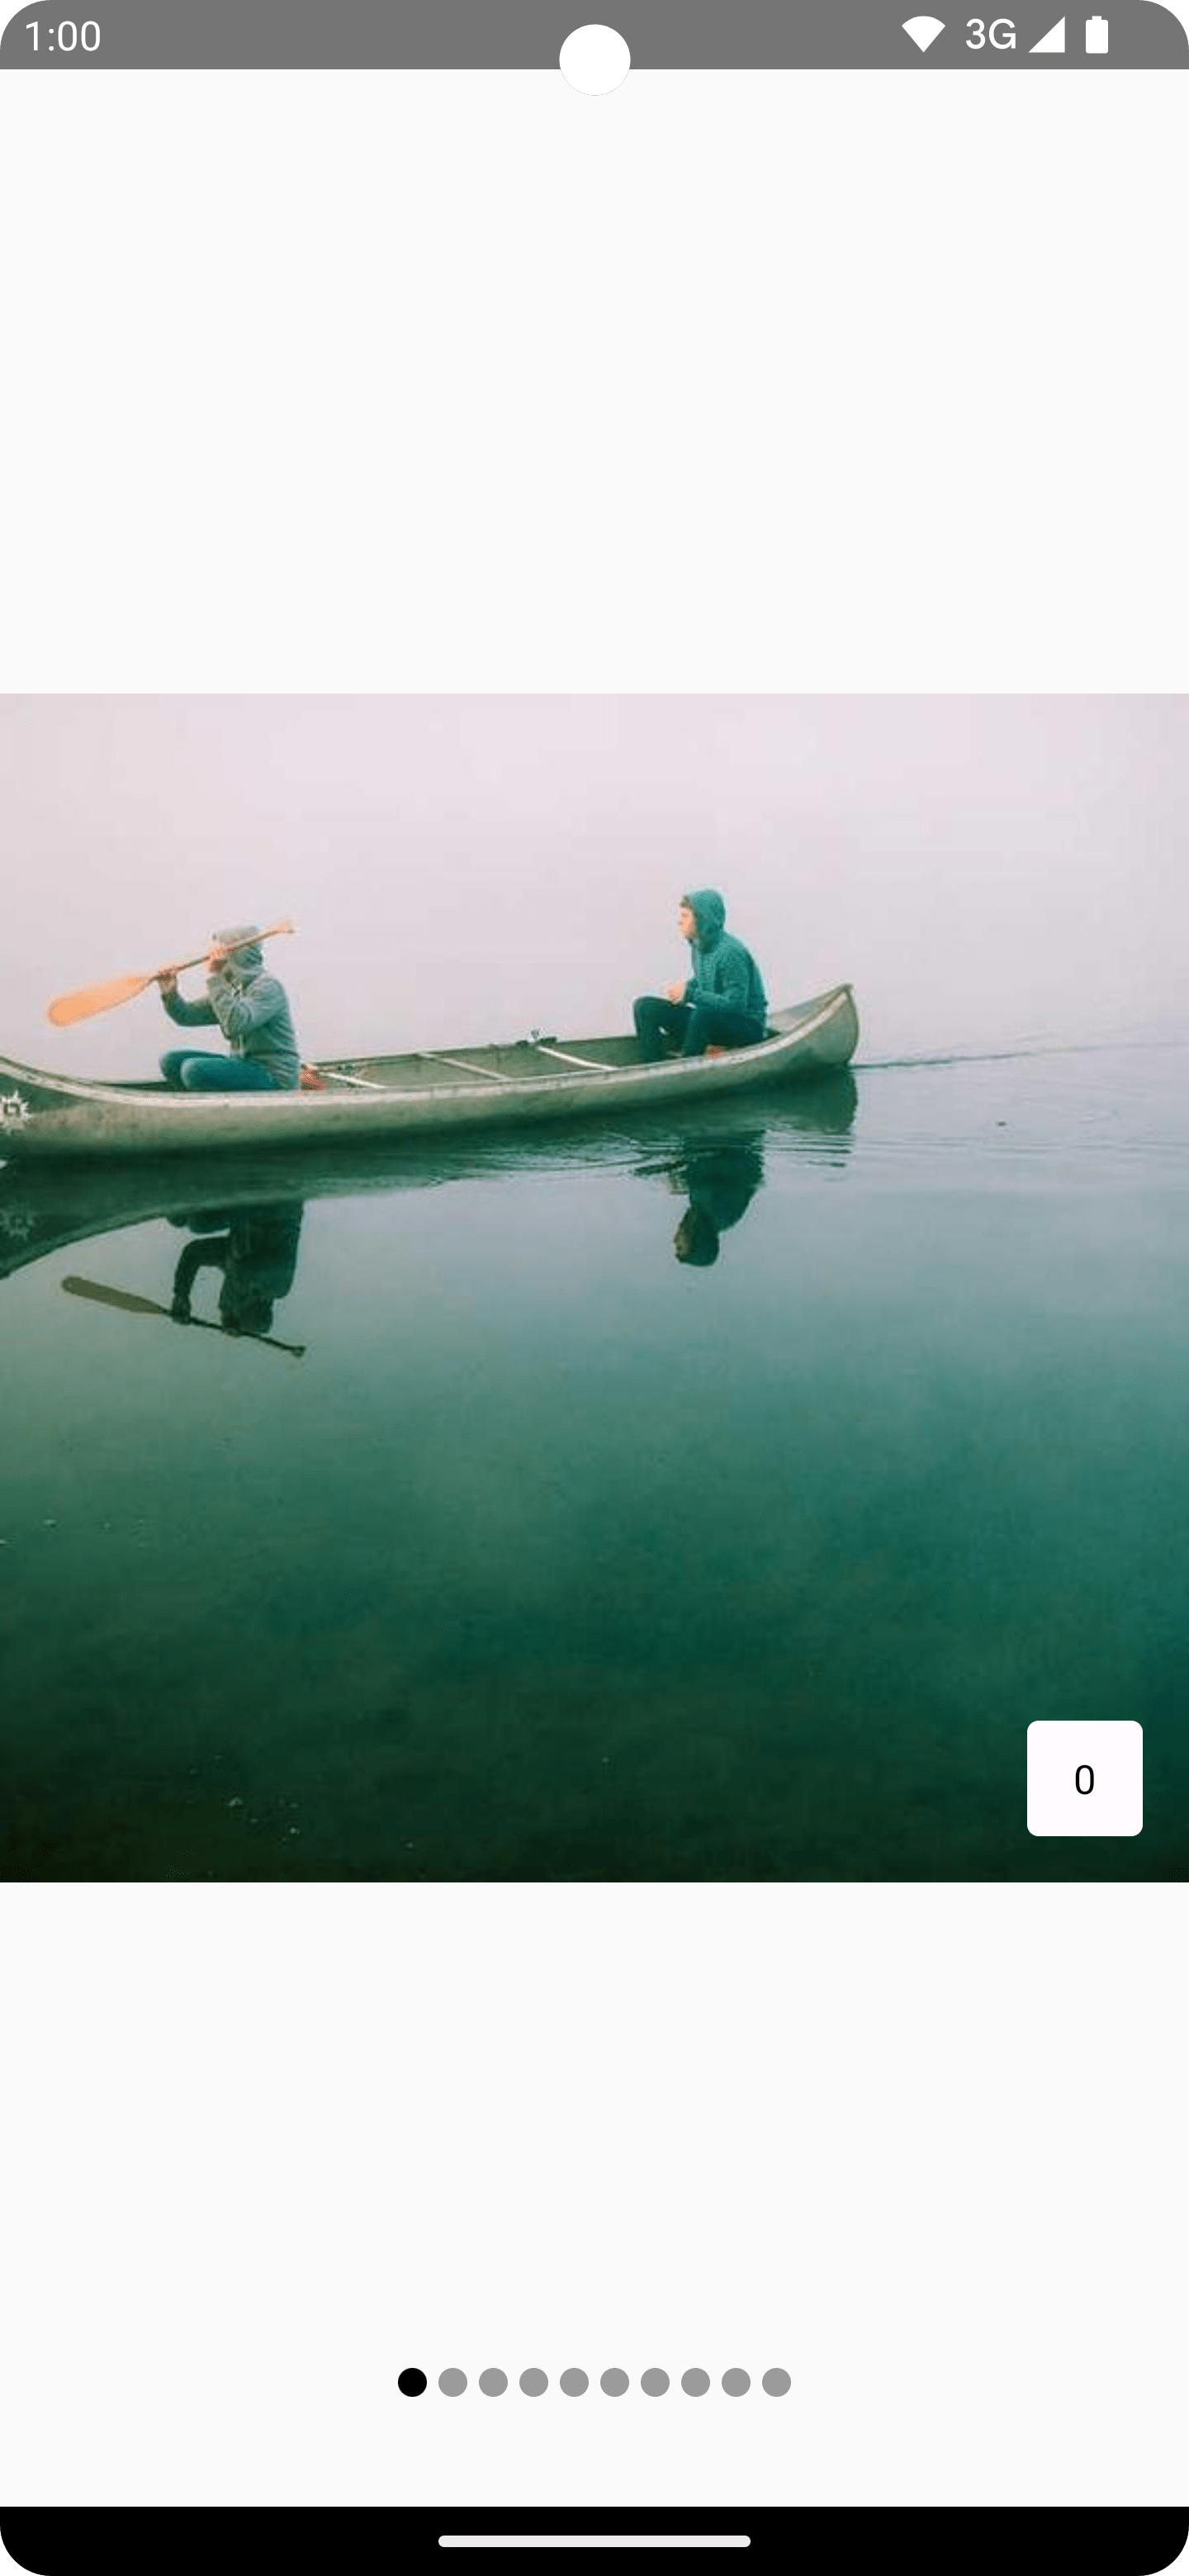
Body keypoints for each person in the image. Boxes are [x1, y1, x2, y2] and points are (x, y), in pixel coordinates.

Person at [156, 925, 301, 1091]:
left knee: (194, 1070)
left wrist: (215, 977)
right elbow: (186, 1016)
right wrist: (170, 993)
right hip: (243, 1065)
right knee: (170, 1061)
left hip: (273, 1075)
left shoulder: (267, 986)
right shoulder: (232, 988)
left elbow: (235, 1025)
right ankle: (201, 1107)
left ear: (237, 954)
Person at [633, 890, 769, 1063]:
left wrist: (690, 995)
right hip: (713, 1021)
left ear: (702, 919)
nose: (679, 921)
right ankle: (651, 1067)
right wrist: (685, 990)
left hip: (747, 1028)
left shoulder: (730, 952)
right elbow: (705, 980)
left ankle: (684, 1069)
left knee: (702, 1014)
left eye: (685, 916)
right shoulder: (699, 946)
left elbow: (736, 1005)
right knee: (645, 1007)